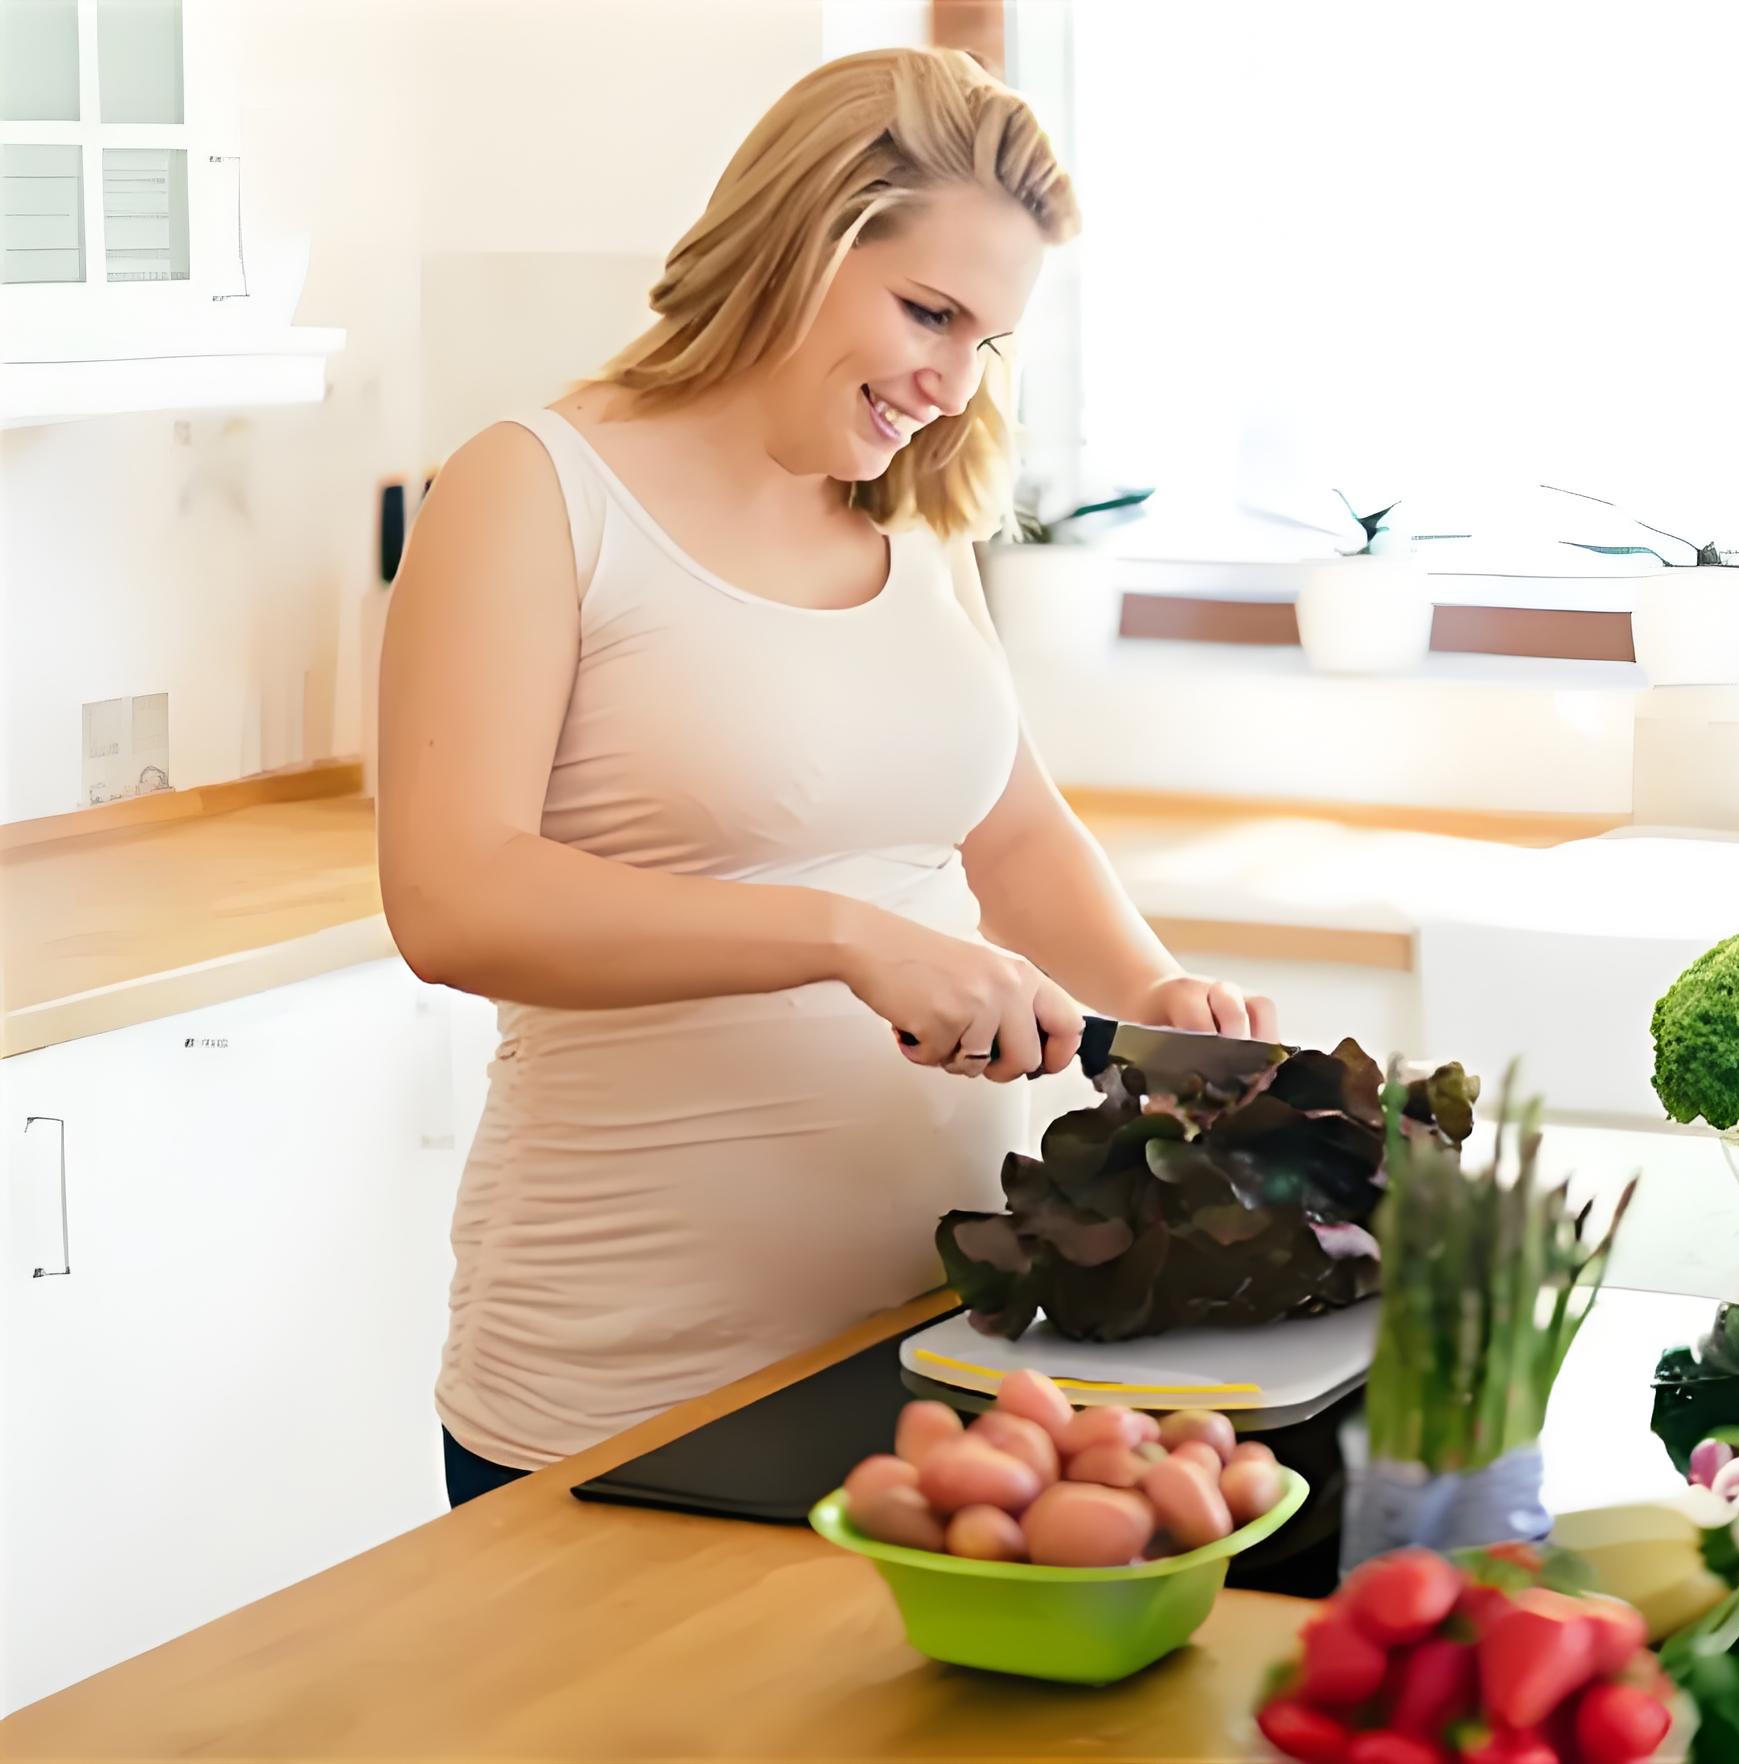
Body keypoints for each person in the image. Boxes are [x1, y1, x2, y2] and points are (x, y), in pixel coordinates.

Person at [377, 48, 1273, 1506]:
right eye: (929, 312)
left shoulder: (918, 520)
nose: (952, 380)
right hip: (632, 1376)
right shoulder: (532, 487)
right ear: (804, 235)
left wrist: (1153, 1001)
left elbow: (1018, 834)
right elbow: (453, 901)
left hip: (947, 1353)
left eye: (988, 340)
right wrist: (848, 939)